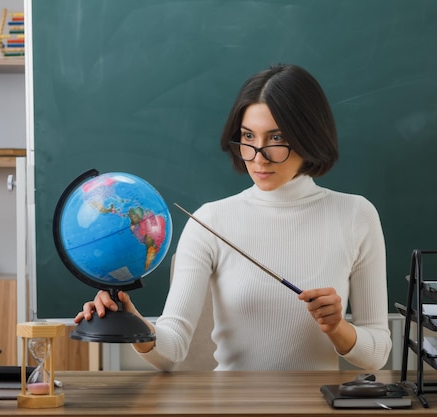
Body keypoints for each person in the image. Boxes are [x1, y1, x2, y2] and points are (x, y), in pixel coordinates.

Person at [75, 64, 391, 371]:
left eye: (277, 138)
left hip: (318, 404)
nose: (258, 156)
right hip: (231, 403)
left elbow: (377, 355)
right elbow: (172, 351)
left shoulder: (356, 215)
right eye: (248, 137)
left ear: (309, 137)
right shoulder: (210, 220)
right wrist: (132, 321)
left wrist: (338, 328)